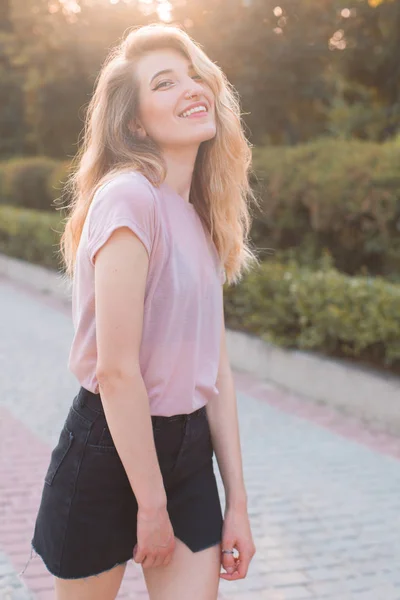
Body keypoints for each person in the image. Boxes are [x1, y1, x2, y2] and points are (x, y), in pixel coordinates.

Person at [25, 22, 259, 599]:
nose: (192, 87)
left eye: (195, 75)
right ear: (133, 121)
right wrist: (150, 505)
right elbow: (117, 370)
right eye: (165, 82)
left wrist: (238, 504)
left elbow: (217, 370)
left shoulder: (200, 216)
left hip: (187, 452)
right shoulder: (129, 198)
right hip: (110, 448)